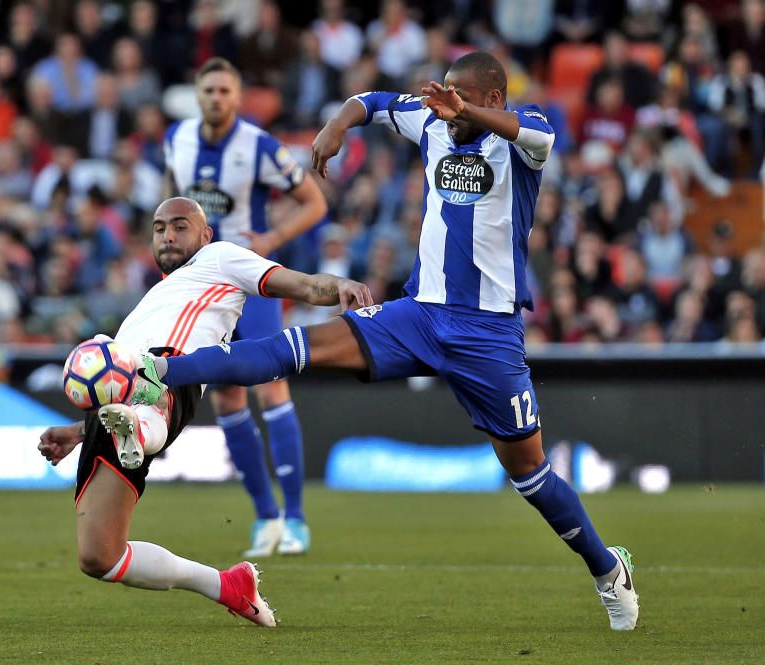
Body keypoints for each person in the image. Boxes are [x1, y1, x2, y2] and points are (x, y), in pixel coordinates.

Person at [137, 52, 641, 632]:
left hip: (489, 334)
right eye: (444, 97)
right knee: (298, 348)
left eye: (462, 99)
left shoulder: (523, 136)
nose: (446, 108)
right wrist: (335, 125)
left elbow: (534, 132)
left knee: (529, 474)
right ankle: (161, 371)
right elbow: (373, 103)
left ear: (494, 99)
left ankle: (608, 571)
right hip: (419, 315)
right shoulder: (431, 121)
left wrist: (465, 110)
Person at [36, 197, 371, 628]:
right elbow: (109, 381)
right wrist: (80, 430)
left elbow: (302, 284)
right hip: (115, 399)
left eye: (180, 226)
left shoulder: (221, 258)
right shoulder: (154, 297)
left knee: (147, 397)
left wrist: (337, 286)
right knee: (99, 556)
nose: (168, 235)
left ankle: (139, 427)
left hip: (172, 372)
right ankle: (227, 585)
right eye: (159, 228)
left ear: (205, 235)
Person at [163, 57, 328, 557]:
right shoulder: (177, 139)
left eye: (225, 91)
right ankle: (265, 517)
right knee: (226, 399)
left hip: (247, 279)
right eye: (208, 89)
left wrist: (273, 236)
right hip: (199, 286)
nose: (216, 98)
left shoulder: (259, 146)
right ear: (197, 94)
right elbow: (172, 201)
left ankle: (297, 517)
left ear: (237, 98)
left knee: (270, 388)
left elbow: (315, 202)